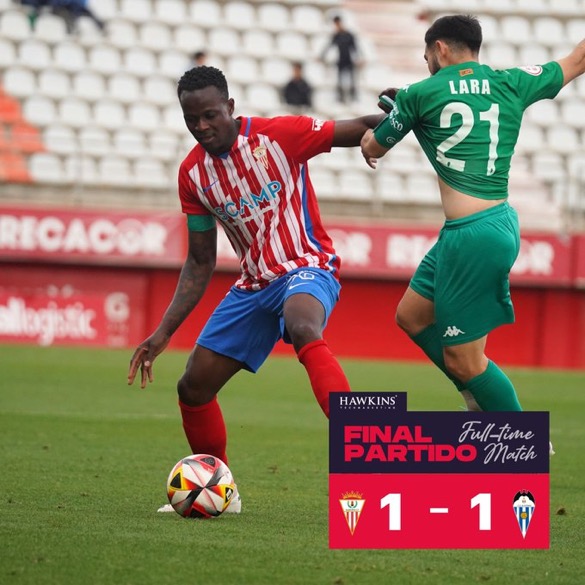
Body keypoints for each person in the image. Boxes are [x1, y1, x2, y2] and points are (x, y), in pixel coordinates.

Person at [127, 66, 384, 512]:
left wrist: (409, 112)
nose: (201, 126)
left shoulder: (280, 136)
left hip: (307, 265)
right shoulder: (193, 175)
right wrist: (163, 332)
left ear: (230, 106)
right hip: (253, 285)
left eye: (210, 115)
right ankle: (221, 489)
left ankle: (364, 443)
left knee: (303, 326)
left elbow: (362, 126)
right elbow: (201, 261)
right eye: (191, 119)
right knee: (193, 387)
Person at [361, 15, 585, 419]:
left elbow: (372, 148)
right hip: (491, 221)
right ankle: (476, 396)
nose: (427, 63)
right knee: (412, 316)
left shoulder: (418, 94)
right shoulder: (510, 81)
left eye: (426, 56)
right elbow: (576, 60)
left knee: (466, 360)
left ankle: (521, 438)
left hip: (472, 235)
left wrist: (390, 119)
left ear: (440, 48)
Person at [321, 15, 361, 103]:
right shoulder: (336, 36)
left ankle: (353, 97)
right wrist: (322, 56)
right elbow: (329, 46)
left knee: (352, 80)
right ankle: (340, 98)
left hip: (349, 60)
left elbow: (355, 48)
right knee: (339, 81)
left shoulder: (349, 35)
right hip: (341, 60)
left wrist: (359, 58)